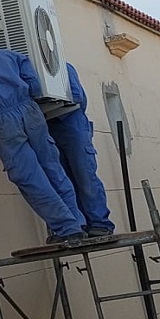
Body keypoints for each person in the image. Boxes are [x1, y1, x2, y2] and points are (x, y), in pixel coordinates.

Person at [0, 26, 86, 246]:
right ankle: (78, 223)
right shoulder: (10, 55)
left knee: (29, 176)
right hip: (30, 110)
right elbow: (34, 85)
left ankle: (66, 228)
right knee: (53, 168)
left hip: (1, 121)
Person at [47, 62, 115, 236]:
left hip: (72, 124)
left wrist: (53, 100)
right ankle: (78, 225)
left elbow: (78, 97)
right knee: (63, 180)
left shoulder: (63, 67)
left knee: (85, 176)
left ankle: (100, 223)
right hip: (51, 126)